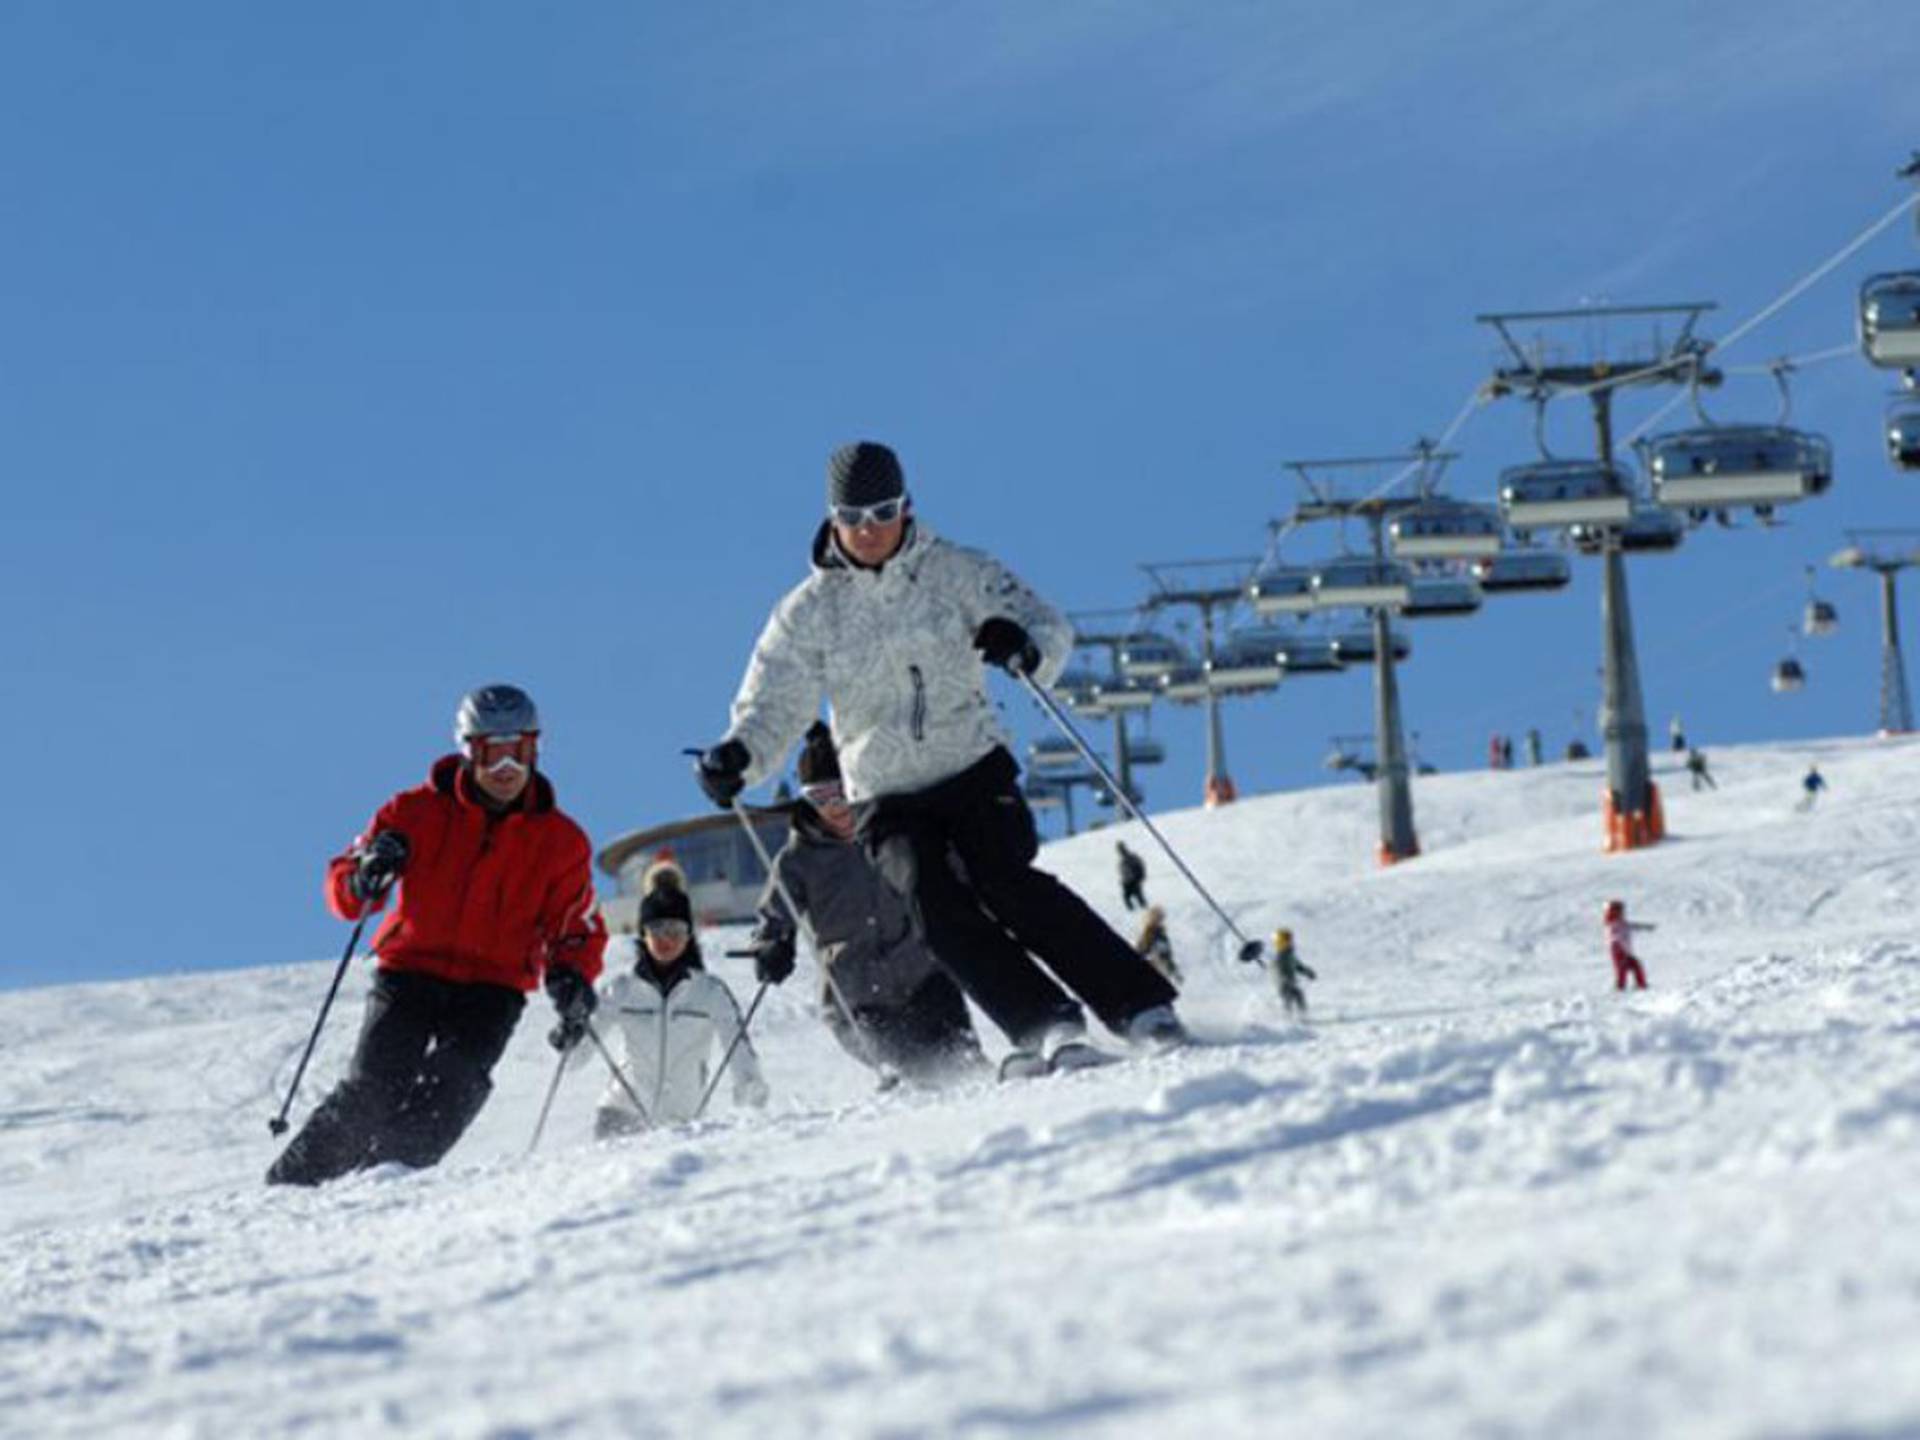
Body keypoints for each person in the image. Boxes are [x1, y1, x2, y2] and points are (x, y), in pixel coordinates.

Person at [692, 439, 1184, 1076]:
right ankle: (1043, 1024)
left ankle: (1140, 1006)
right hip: (884, 789)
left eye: (883, 511)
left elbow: (1045, 626)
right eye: (854, 518)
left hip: (971, 764)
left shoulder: (957, 573)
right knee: (932, 906)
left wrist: (1023, 647)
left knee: (1004, 883)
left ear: (907, 507)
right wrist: (739, 755)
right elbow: (773, 702)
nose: (870, 530)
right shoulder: (808, 612)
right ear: (832, 519)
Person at [268, 685, 607, 1186]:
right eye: (494, 754)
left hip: (493, 987)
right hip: (411, 971)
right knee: (375, 1089)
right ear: (469, 751)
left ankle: (381, 1184)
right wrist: (367, 874)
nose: (508, 769)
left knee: (455, 1086)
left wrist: (572, 978)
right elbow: (346, 888)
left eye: (522, 751)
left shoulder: (561, 841)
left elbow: (577, 926)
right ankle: (292, 1186)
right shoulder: (415, 812)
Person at [744, 722, 986, 1088]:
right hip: (857, 998)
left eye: (840, 793)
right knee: (912, 1074)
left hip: (923, 973)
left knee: (961, 1061)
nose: (834, 808)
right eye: (820, 798)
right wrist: (771, 946)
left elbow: (949, 868)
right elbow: (775, 915)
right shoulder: (799, 859)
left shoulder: (888, 831)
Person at [578, 865, 768, 1136]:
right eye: (657, 928)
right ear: (643, 934)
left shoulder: (710, 993)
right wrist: (570, 1031)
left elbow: (739, 1051)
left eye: (676, 929)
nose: (667, 938)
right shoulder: (621, 990)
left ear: (689, 935)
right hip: (622, 1112)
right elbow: (577, 1056)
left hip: (681, 1120)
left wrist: (752, 1102)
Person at [1604, 899, 1653, 991]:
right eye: (1619, 911)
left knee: (1636, 965)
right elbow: (1615, 936)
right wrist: (1620, 948)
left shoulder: (1621, 923)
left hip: (1625, 950)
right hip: (1618, 949)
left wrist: (1645, 927)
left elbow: (1631, 926)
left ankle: (1641, 985)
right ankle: (1620, 987)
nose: (1622, 913)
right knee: (1622, 968)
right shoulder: (1612, 924)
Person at [1269, 927, 1317, 1019]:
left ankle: (1303, 1015)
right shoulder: (1280, 957)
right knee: (1288, 998)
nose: (1290, 943)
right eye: (1287, 941)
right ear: (1280, 943)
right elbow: (1277, 970)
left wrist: (1308, 972)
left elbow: (1298, 966)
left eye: (1290, 941)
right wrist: (1283, 979)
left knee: (1299, 995)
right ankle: (1287, 1017)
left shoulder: (1290, 955)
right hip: (1284, 984)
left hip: (1291, 982)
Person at [1134, 906, 1180, 986]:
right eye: (1158, 918)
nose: (1160, 921)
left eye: (1160, 918)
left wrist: (1174, 971)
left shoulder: (1159, 935)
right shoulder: (1148, 934)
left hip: (1156, 970)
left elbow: (1166, 955)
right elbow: (1140, 951)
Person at [1116, 841, 1148, 911]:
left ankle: (1143, 909)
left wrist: (1141, 876)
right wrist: (1123, 880)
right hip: (1128, 881)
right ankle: (1137, 910)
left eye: (1120, 849)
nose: (1120, 851)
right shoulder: (1124, 859)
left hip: (1133, 880)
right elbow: (1123, 871)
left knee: (1136, 896)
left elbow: (1140, 866)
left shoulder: (1131, 858)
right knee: (1129, 897)